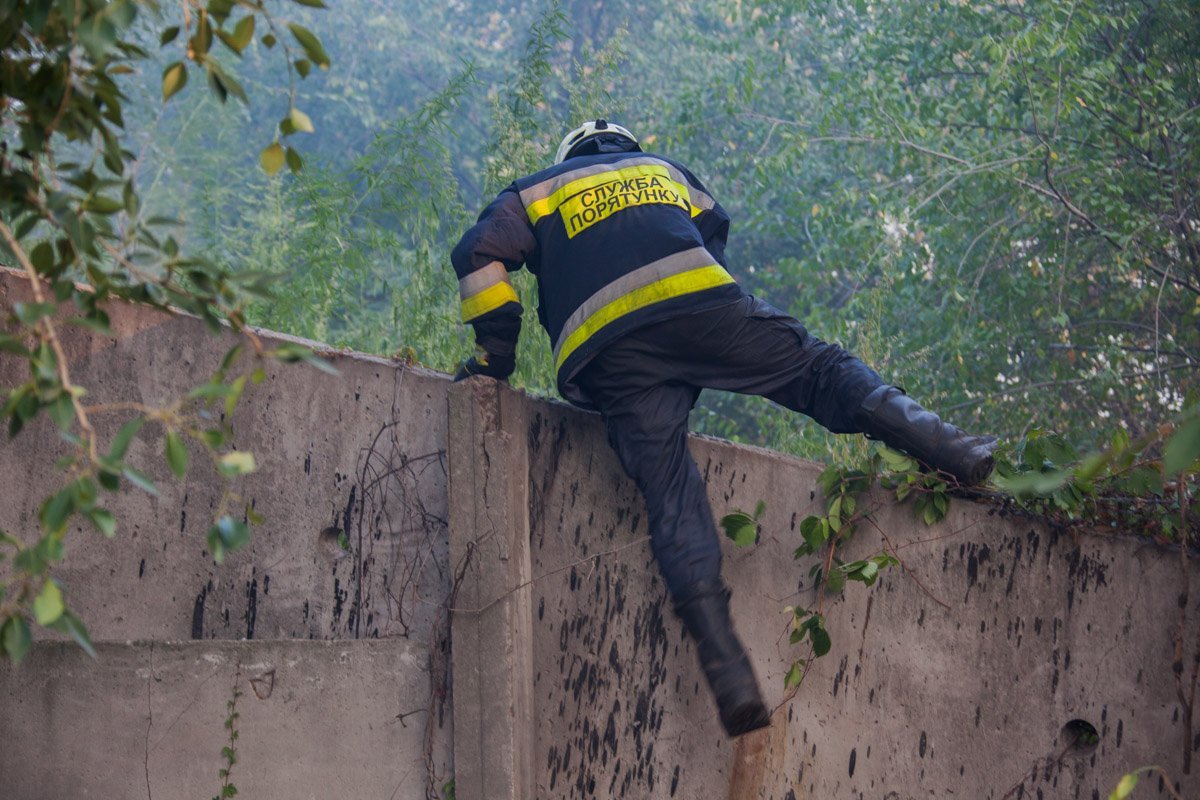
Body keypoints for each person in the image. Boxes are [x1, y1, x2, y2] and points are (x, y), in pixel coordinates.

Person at [450, 120, 996, 737]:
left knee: (670, 495)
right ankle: (953, 450)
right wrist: (703, 348)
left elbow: (478, 254)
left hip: (610, 355)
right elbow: (711, 237)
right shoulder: (667, 171)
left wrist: (495, 359)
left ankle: (732, 680)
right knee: (820, 372)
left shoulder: (533, 192)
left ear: (567, 156)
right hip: (701, 311)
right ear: (625, 147)